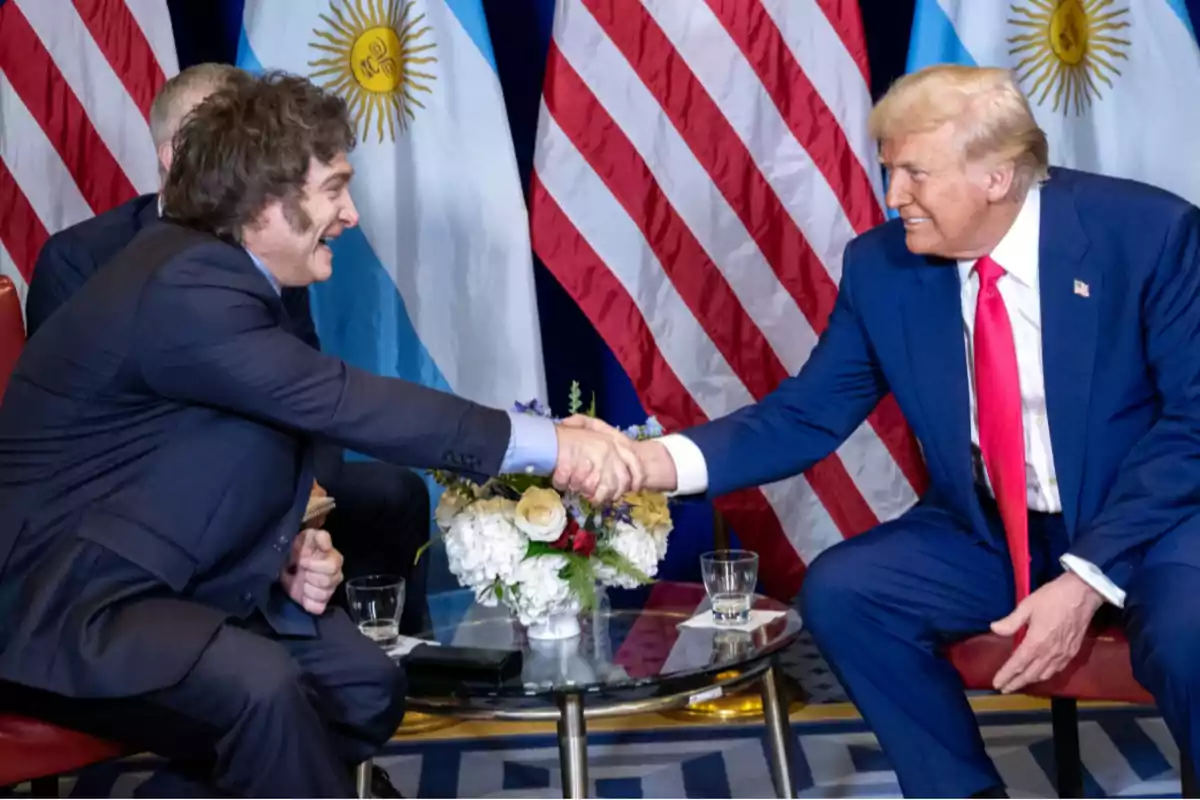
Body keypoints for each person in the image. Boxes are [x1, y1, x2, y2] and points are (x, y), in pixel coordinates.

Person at [0, 71, 637, 798]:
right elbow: (344, 403)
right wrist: (556, 447)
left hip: (173, 575)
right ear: (266, 203)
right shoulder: (185, 284)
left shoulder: (224, 274)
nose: (353, 214)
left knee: (364, 684)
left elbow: (196, 451)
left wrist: (280, 547)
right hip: (66, 602)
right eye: (334, 188)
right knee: (263, 689)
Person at [573, 64, 1200, 797]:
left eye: (914, 173)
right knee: (848, 591)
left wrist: (1086, 578)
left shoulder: (1148, 235)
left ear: (997, 177)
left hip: (1155, 524)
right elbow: (803, 415)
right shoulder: (883, 266)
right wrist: (649, 463)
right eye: (889, 172)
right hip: (996, 528)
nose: (894, 196)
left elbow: (1193, 425)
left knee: (1190, 630)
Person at [24, 63, 435, 635]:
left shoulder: (271, 242)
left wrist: (304, 503)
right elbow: (79, 436)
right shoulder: (81, 261)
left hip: (273, 473)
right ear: (177, 155)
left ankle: (403, 665)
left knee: (394, 493)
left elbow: (306, 386)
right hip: (150, 498)